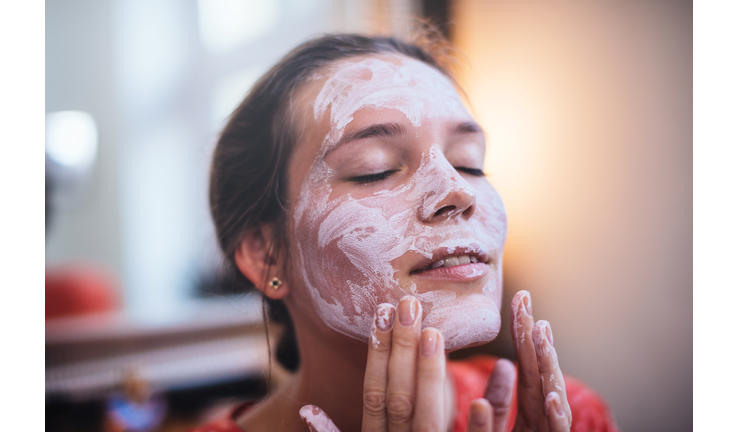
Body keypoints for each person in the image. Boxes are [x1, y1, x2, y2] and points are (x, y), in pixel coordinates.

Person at [195, 30, 619, 432]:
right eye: (373, 170)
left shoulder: (568, 414)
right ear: (266, 253)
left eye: (469, 163)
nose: (456, 189)